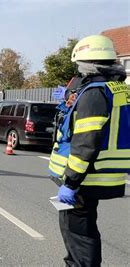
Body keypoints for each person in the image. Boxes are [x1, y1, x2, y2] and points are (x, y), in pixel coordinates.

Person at [48, 35, 128, 266]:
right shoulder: (117, 89)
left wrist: (71, 183)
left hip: (84, 179)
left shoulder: (95, 93)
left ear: (88, 63)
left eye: (80, 67)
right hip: (100, 175)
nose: (79, 73)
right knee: (81, 233)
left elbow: (86, 143)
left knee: (80, 237)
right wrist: (68, 102)